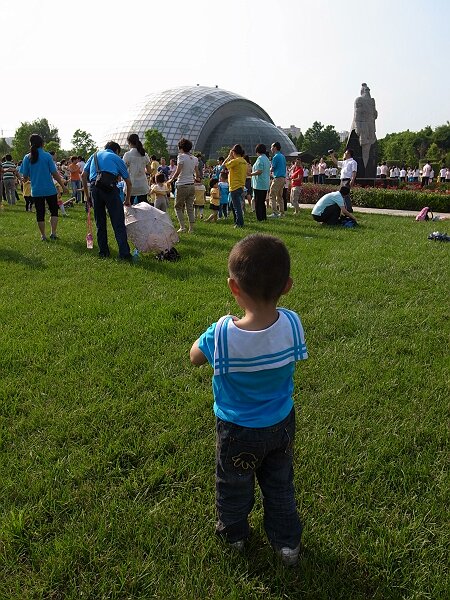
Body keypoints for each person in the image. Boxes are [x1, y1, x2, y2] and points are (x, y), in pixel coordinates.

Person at [189, 234, 307, 566]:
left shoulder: (222, 334)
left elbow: (195, 357)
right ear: (287, 286)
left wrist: (217, 327)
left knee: (234, 485)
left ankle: (234, 538)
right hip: (282, 424)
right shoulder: (293, 324)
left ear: (233, 287)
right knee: (280, 485)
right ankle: (287, 546)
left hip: (237, 429)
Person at [82, 141, 132, 259]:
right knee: (118, 222)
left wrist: (87, 195)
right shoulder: (116, 158)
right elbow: (128, 182)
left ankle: (103, 252)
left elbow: (83, 175)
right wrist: (127, 199)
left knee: (100, 222)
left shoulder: (94, 155)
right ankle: (124, 253)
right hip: (110, 189)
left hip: (95, 188)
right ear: (116, 151)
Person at [19, 134, 67, 241]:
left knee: (40, 214)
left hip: (36, 191)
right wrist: (63, 186)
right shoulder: (47, 156)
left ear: (30, 144)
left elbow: (25, 177)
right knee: (54, 211)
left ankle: (43, 236)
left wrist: (25, 180)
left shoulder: (27, 157)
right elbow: (55, 173)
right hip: (50, 189)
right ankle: (53, 233)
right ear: (42, 144)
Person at [167, 138, 200, 233]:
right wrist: (197, 178)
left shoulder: (181, 157)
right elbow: (197, 173)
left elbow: (178, 171)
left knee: (178, 207)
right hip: (191, 185)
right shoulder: (195, 158)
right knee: (189, 207)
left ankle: (182, 227)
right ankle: (191, 228)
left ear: (181, 147)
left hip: (182, 185)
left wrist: (171, 179)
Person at [123, 133, 151, 203]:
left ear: (129, 142)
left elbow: (123, 170)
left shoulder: (127, 155)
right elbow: (149, 171)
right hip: (142, 185)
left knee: (128, 207)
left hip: (130, 186)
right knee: (143, 208)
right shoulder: (145, 155)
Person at [224, 144, 247, 228]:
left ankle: (239, 223)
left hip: (234, 186)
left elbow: (224, 165)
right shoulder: (244, 161)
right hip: (241, 186)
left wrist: (229, 157)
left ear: (234, 152)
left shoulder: (235, 161)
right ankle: (236, 220)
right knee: (231, 205)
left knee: (237, 207)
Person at [251, 143, 271, 222]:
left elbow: (259, 171)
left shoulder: (260, 159)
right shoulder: (266, 158)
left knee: (258, 202)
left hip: (259, 183)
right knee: (262, 202)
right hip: (265, 183)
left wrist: (250, 174)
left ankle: (259, 218)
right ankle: (264, 217)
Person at [268, 142, 287, 217]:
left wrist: (267, 170)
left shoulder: (275, 157)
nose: (271, 149)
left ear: (275, 147)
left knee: (272, 195)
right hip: (282, 178)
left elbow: (272, 169)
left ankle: (275, 213)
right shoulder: (282, 156)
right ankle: (282, 213)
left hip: (277, 178)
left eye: (272, 147)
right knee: (279, 196)